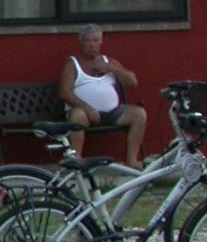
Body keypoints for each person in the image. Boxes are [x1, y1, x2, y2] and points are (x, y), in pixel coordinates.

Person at [58, 23, 146, 166]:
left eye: (95, 41)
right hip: (85, 113)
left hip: (112, 112)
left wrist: (112, 69)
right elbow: (64, 92)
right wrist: (88, 109)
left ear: (101, 42)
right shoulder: (73, 64)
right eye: (87, 41)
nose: (92, 45)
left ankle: (131, 160)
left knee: (139, 114)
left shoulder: (108, 62)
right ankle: (76, 159)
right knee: (76, 115)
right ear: (81, 43)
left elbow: (132, 82)